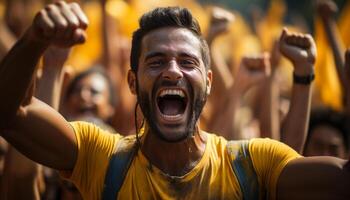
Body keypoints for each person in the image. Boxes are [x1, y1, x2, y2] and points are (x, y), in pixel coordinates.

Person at [0, 1, 349, 200]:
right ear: (133, 82)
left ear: (208, 83)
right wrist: (34, 40)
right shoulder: (101, 158)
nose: (172, 72)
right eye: (156, 62)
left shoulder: (254, 165)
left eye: (187, 62)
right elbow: (11, 115)